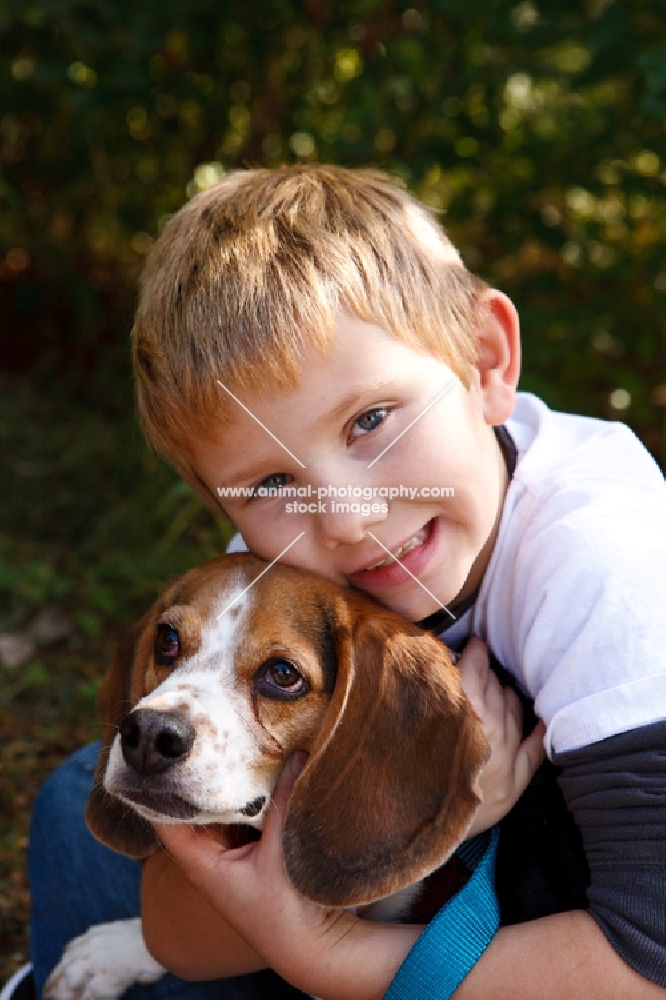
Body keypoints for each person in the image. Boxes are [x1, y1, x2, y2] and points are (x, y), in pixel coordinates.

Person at [25, 165, 666, 1000]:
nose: (348, 518)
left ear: (486, 361)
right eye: (271, 482)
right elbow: (177, 931)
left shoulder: (607, 562)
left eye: (371, 421)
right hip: (385, 857)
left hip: (581, 938)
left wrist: (325, 957)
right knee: (78, 802)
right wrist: (445, 821)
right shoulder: (278, 559)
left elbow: (650, 959)